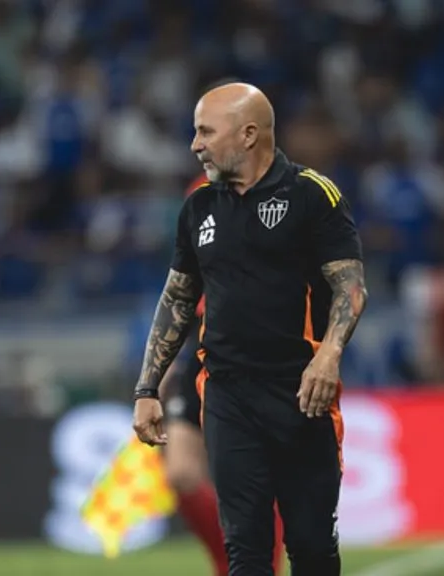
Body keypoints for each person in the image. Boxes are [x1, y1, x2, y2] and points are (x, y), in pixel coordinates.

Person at [132, 82, 367, 576]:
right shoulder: (197, 209)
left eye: (205, 132)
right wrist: (147, 387)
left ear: (248, 134)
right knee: (246, 551)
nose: (195, 144)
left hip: (302, 395)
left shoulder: (311, 194)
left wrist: (328, 356)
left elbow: (350, 287)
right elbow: (177, 297)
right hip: (227, 395)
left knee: (311, 548)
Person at [159, 174, 285, 576]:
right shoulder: (198, 195)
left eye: (209, 132)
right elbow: (184, 286)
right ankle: (225, 558)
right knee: (180, 472)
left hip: (260, 348)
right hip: (203, 344)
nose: (202, 142)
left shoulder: (280, 194)